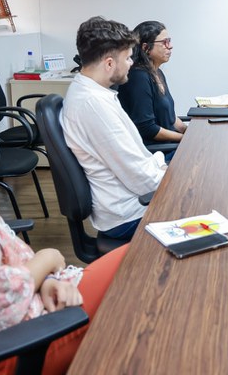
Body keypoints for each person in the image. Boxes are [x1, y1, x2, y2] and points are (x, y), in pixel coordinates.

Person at [0, 40, 129, 374]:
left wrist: (44, 280)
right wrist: (48, 260)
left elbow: (8, 252)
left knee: (142, 257)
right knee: (142, 268)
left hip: (27, 307)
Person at [62, 16, 167, 241]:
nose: (132, 63)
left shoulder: (94, 93)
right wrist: (177, 178)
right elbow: (141, 178)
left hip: (132, 200)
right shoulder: (93, 105)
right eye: (128, 58)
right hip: (130, 214)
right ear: (109, 64)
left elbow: (137, 163)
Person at [117, 21, 186, 162]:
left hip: (170, 145)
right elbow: (147, 128)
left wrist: (188, 131)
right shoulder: (138, 77)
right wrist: (184, 139)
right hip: (156, 153)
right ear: (146, 48)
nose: (170, 46)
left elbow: (171, 117)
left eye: (169, 41)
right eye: (165, 42)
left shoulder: (157, 72)